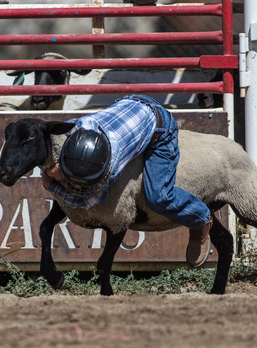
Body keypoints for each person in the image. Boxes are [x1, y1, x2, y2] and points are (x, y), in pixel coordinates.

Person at [42, 95, 212, 268]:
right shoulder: (81, 126)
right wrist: (60, 169)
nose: (76, 187)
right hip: (129, 104)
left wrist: (52, 185)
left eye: (82, 184)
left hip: (159, 127)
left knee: (157, 196)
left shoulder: (112, 168)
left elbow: (88, 201)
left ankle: (200, 219)